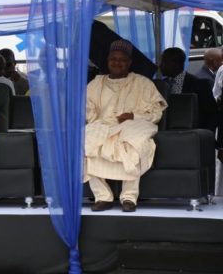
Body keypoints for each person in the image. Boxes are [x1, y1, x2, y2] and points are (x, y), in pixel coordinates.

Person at [85, 40, 167, 213]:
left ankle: (129, 197)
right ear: (107, 61)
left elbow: (156, 112)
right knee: (85, 140)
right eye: (113, 59)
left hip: (135, 124)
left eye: (122, 59)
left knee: (133, 142)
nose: (117, 63)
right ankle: (102, 197)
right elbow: (87, 110)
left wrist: (133, 116)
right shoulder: (95, 84)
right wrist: (98, 121)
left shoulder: (143, 83)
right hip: (103, 124)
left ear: (129, 62)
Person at [160, 47, 218, 132]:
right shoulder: (162, 86)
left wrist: (203, 138)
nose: (161, 65)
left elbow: (212, 115)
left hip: (192, 136)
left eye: (164, 62)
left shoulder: (199, 85)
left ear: (175, 63)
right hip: (166, 136)